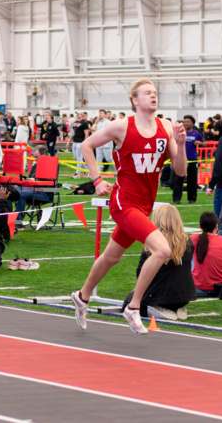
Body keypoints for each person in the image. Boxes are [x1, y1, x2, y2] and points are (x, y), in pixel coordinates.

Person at [71, 78, 187, 334]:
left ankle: (82, 295)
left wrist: (183, 143)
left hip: (144, 204)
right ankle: (134, 307)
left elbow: (180, 171)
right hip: (124, 202)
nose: (153, 96)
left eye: (155, 92)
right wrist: (97, 180)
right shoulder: (122, 126)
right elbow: (87, 146)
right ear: (135, 100)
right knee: (162, 250)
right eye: (147, 93)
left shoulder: (165, 128)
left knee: (112, 256)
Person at [121, 204, 194, 320]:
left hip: (160, 295)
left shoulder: (153, 245)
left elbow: (140, 273)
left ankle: (157, 308)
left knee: (129, 301)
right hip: (184, 295)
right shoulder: (188, 241)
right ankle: (176, 308)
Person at [191, 211, 222, 297]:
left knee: (191, 259)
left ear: (200, 226)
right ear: (216, 226)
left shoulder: (193, 238)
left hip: (199, 287)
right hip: (220, 287)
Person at [172, 115, 202, 204]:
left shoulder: (196, 133)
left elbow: (202, 142)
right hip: (180, 159)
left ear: (192, 123)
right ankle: (176, 199)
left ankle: (192, 199)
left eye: (188, 122)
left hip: (192, 159)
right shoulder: (179, 132)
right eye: (184, 122)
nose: (185, 123)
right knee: (178, 179)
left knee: (192, 180)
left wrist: (199, 142)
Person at [70, 112, 91, 177]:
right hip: (75, 142)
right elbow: (73, 133)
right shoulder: (75, 123)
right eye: (78, 115)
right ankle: (88, 170)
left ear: (83, 116)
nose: (79, 116)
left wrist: (85, 143)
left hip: (81, 142)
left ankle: (77, 173)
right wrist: (69, 141)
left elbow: (86, 134)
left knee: (79, 158)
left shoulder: (85, 123)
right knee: (76, 158)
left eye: (80, 115)